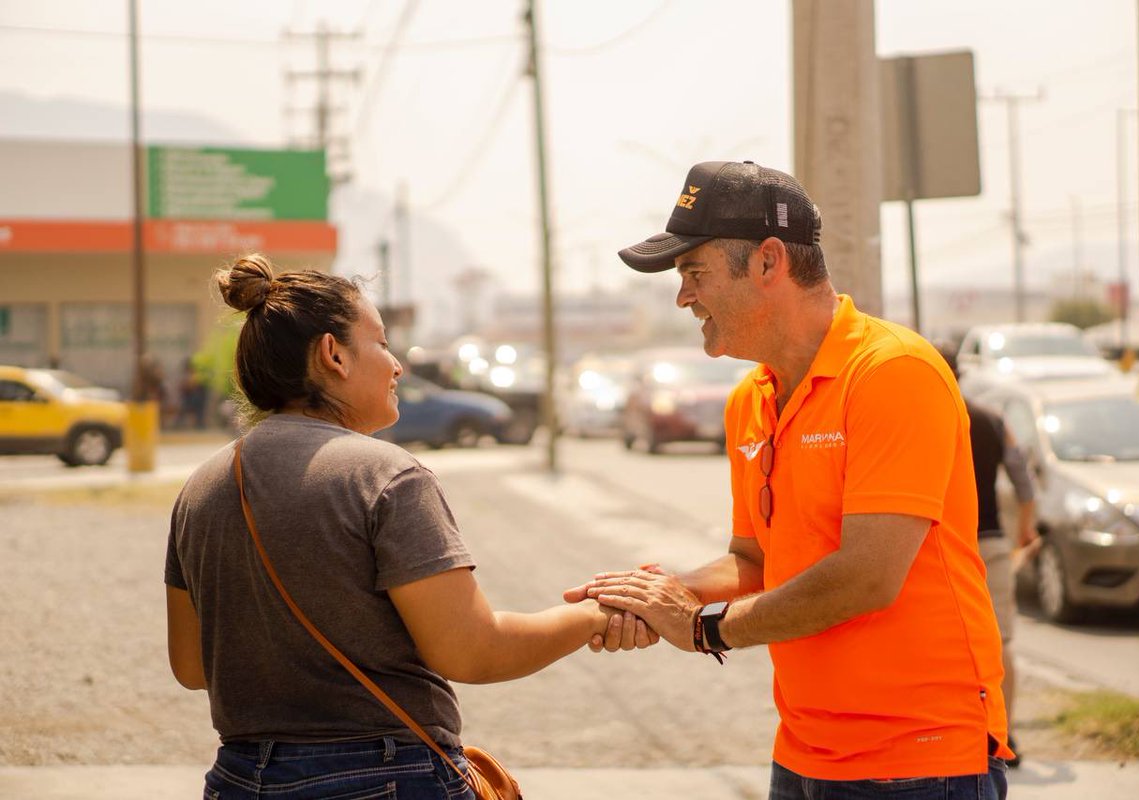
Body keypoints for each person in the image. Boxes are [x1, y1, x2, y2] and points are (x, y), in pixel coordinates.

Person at [566, 161, 1011, 798]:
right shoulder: (750, 398)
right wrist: (658, 594)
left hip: (919, 759)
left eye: (695, 272)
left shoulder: (893, 373)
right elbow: (755, 559)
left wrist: (705, 628)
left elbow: (867, 577)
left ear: (769, 262)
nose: (683, 297)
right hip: (803, 755)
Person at [165, 253, 651, 799]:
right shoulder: (386, 474)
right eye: (381, 343)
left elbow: (191, 666)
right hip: (382, 776)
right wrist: (591, 615)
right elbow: (471, 651)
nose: (397, 365)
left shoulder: (201, 486)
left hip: (238, 778)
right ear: (333, 355)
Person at [937, 343, 1039, 768]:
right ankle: (1002, 732)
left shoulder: (924, 419)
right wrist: (1025, 529)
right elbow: (1024, 481)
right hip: (992, 542)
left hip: (941, 545)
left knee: (943, 646)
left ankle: (949, 730)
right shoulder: (993, 421)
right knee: (1000, 642)